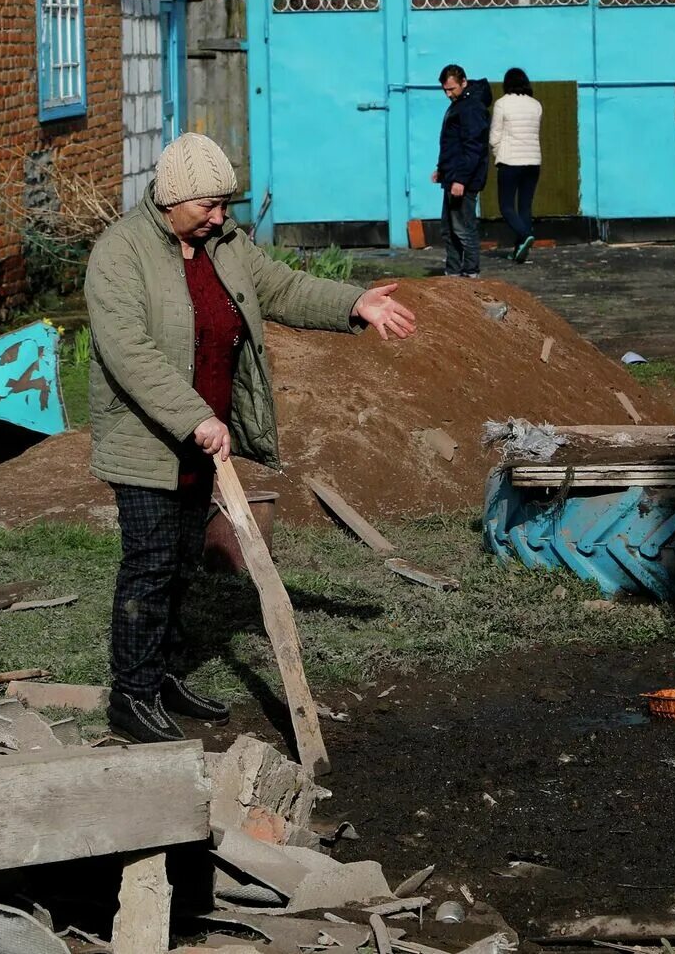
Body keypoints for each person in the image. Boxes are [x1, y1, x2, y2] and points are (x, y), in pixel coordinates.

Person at [85, 132, 418, 744]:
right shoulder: (120, 254)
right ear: (172, 198)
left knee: (183, 563)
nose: (221, 216)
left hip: (202, 435)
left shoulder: (225, 243)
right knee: (151, 565)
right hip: (147, 437)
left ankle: (162, 677)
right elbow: (129, 353)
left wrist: (355, 303)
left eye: (225, 204)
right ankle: (130, 696)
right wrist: (194, 416)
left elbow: (283, 288)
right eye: (209, 205)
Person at [432, 63, 489, 278]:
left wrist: (461, 180)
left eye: (451, 89)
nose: (448, 94)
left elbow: (473, 147)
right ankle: (453, 272)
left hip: (463, 180)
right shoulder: (459, 104)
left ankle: (470, 272)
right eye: (445, 90)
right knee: (449, 229)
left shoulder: (471, 107)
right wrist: (442, 170)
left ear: (463, 82)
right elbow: (452, 144)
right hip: (453, 176)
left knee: (463, 228)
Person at [491, 67, 543, 264]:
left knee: (506, 206)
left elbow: (495, 135)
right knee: (525, 207)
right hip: (533, 161)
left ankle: (524, 235)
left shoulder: (502, 104)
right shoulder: (536, 105)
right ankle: (520, 251)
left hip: (510, 161)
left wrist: (498, 153)